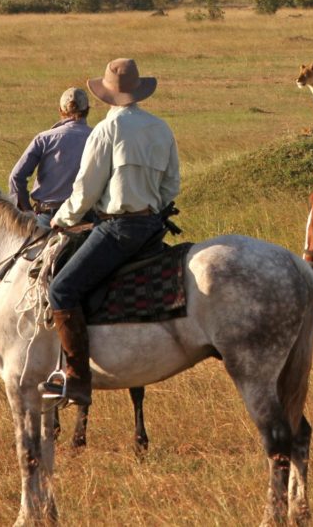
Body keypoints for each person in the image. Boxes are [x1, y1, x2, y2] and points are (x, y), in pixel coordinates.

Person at [42, 58, 181, 405]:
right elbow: (171, 185)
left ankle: (75, 379)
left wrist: (62, 218)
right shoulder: (161, 128)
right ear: (139, 91)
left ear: (105, 95)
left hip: (118, 228)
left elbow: (87, 189)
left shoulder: (107, 130)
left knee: (61, 289)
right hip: (151, 226)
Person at [8, 87, 92, 229]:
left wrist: (28, 211)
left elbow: (16, 177)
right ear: (87, 110)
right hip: (86, 215)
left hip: (48, 216)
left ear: (60, 110)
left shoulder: (44, 138)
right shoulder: (98, 137)